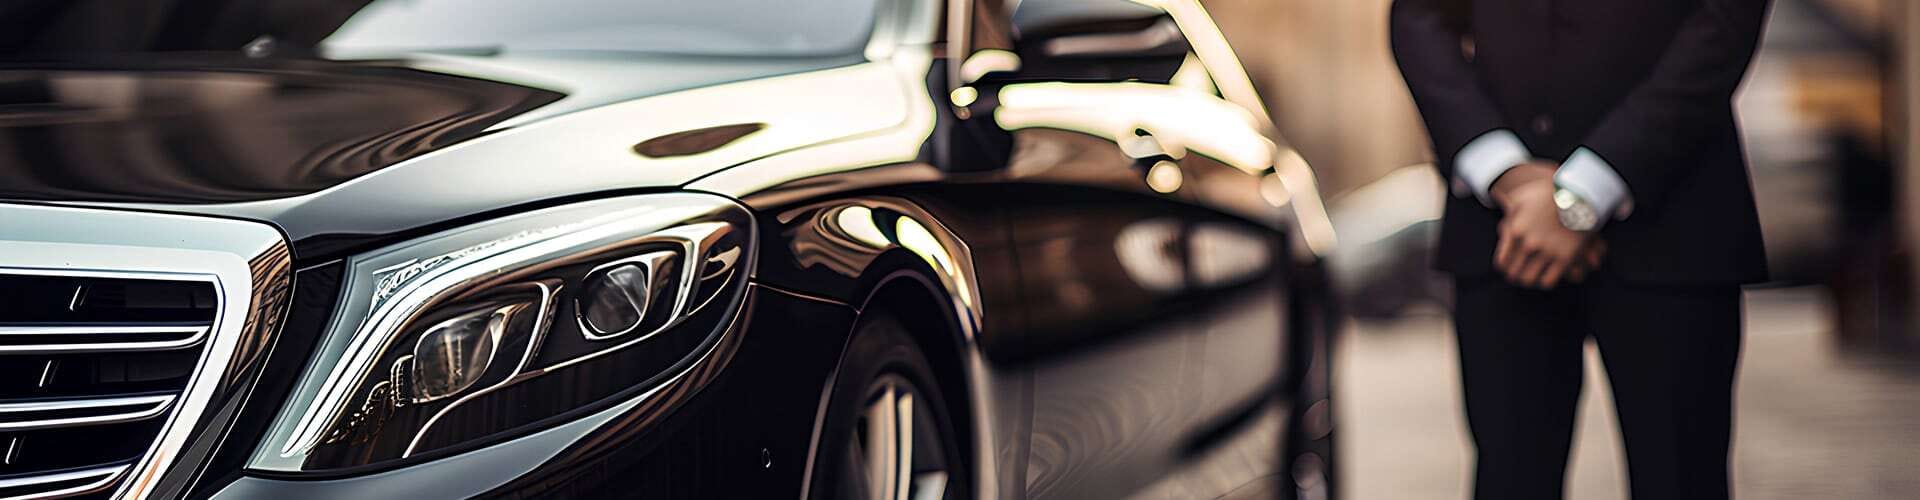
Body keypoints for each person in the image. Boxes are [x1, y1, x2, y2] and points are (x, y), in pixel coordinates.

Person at [1389, 1, 1771, 499]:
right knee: (1509, 480)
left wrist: (1588, 190)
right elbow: (1419, 17)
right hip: (1505, 233)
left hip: (1675, 220)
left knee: (1681, 479)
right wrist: (1504, 172)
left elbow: (1724, 19)